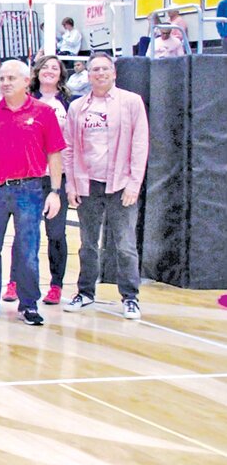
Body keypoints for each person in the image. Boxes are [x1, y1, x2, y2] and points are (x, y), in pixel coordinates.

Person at [0, 59, 66, 326]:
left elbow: (54, 154)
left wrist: (55, 191)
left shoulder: (44, 113)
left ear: (26, 81)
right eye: (3, 78)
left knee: (27, 250)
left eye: (12, 78)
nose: (6, 82)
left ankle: (29, 304)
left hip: (30, 190)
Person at [64, 53, 150, 320]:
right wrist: (72, 183)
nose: (100, 73)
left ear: (114, 73)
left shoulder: (131, 102)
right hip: (88, 184)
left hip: (121, 184)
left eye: (105, 69)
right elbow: (68, 148)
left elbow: (140, 144)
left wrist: (134, 184)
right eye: (94, 69)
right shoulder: (77, 107)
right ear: (88, 75)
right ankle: (85, 292)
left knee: (124, 244)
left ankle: (130, 297)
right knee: (88, 243)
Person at [30, 54, 75, 305]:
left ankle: (56, 285)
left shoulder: (68, 102)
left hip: (58, 176)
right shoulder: (27, 100)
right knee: (26, 232)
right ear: (37, 72)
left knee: (55, 233)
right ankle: (17, 281)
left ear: (61, 74)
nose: (49, 71)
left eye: (54, 68)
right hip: (30, 176)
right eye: (45, 67)